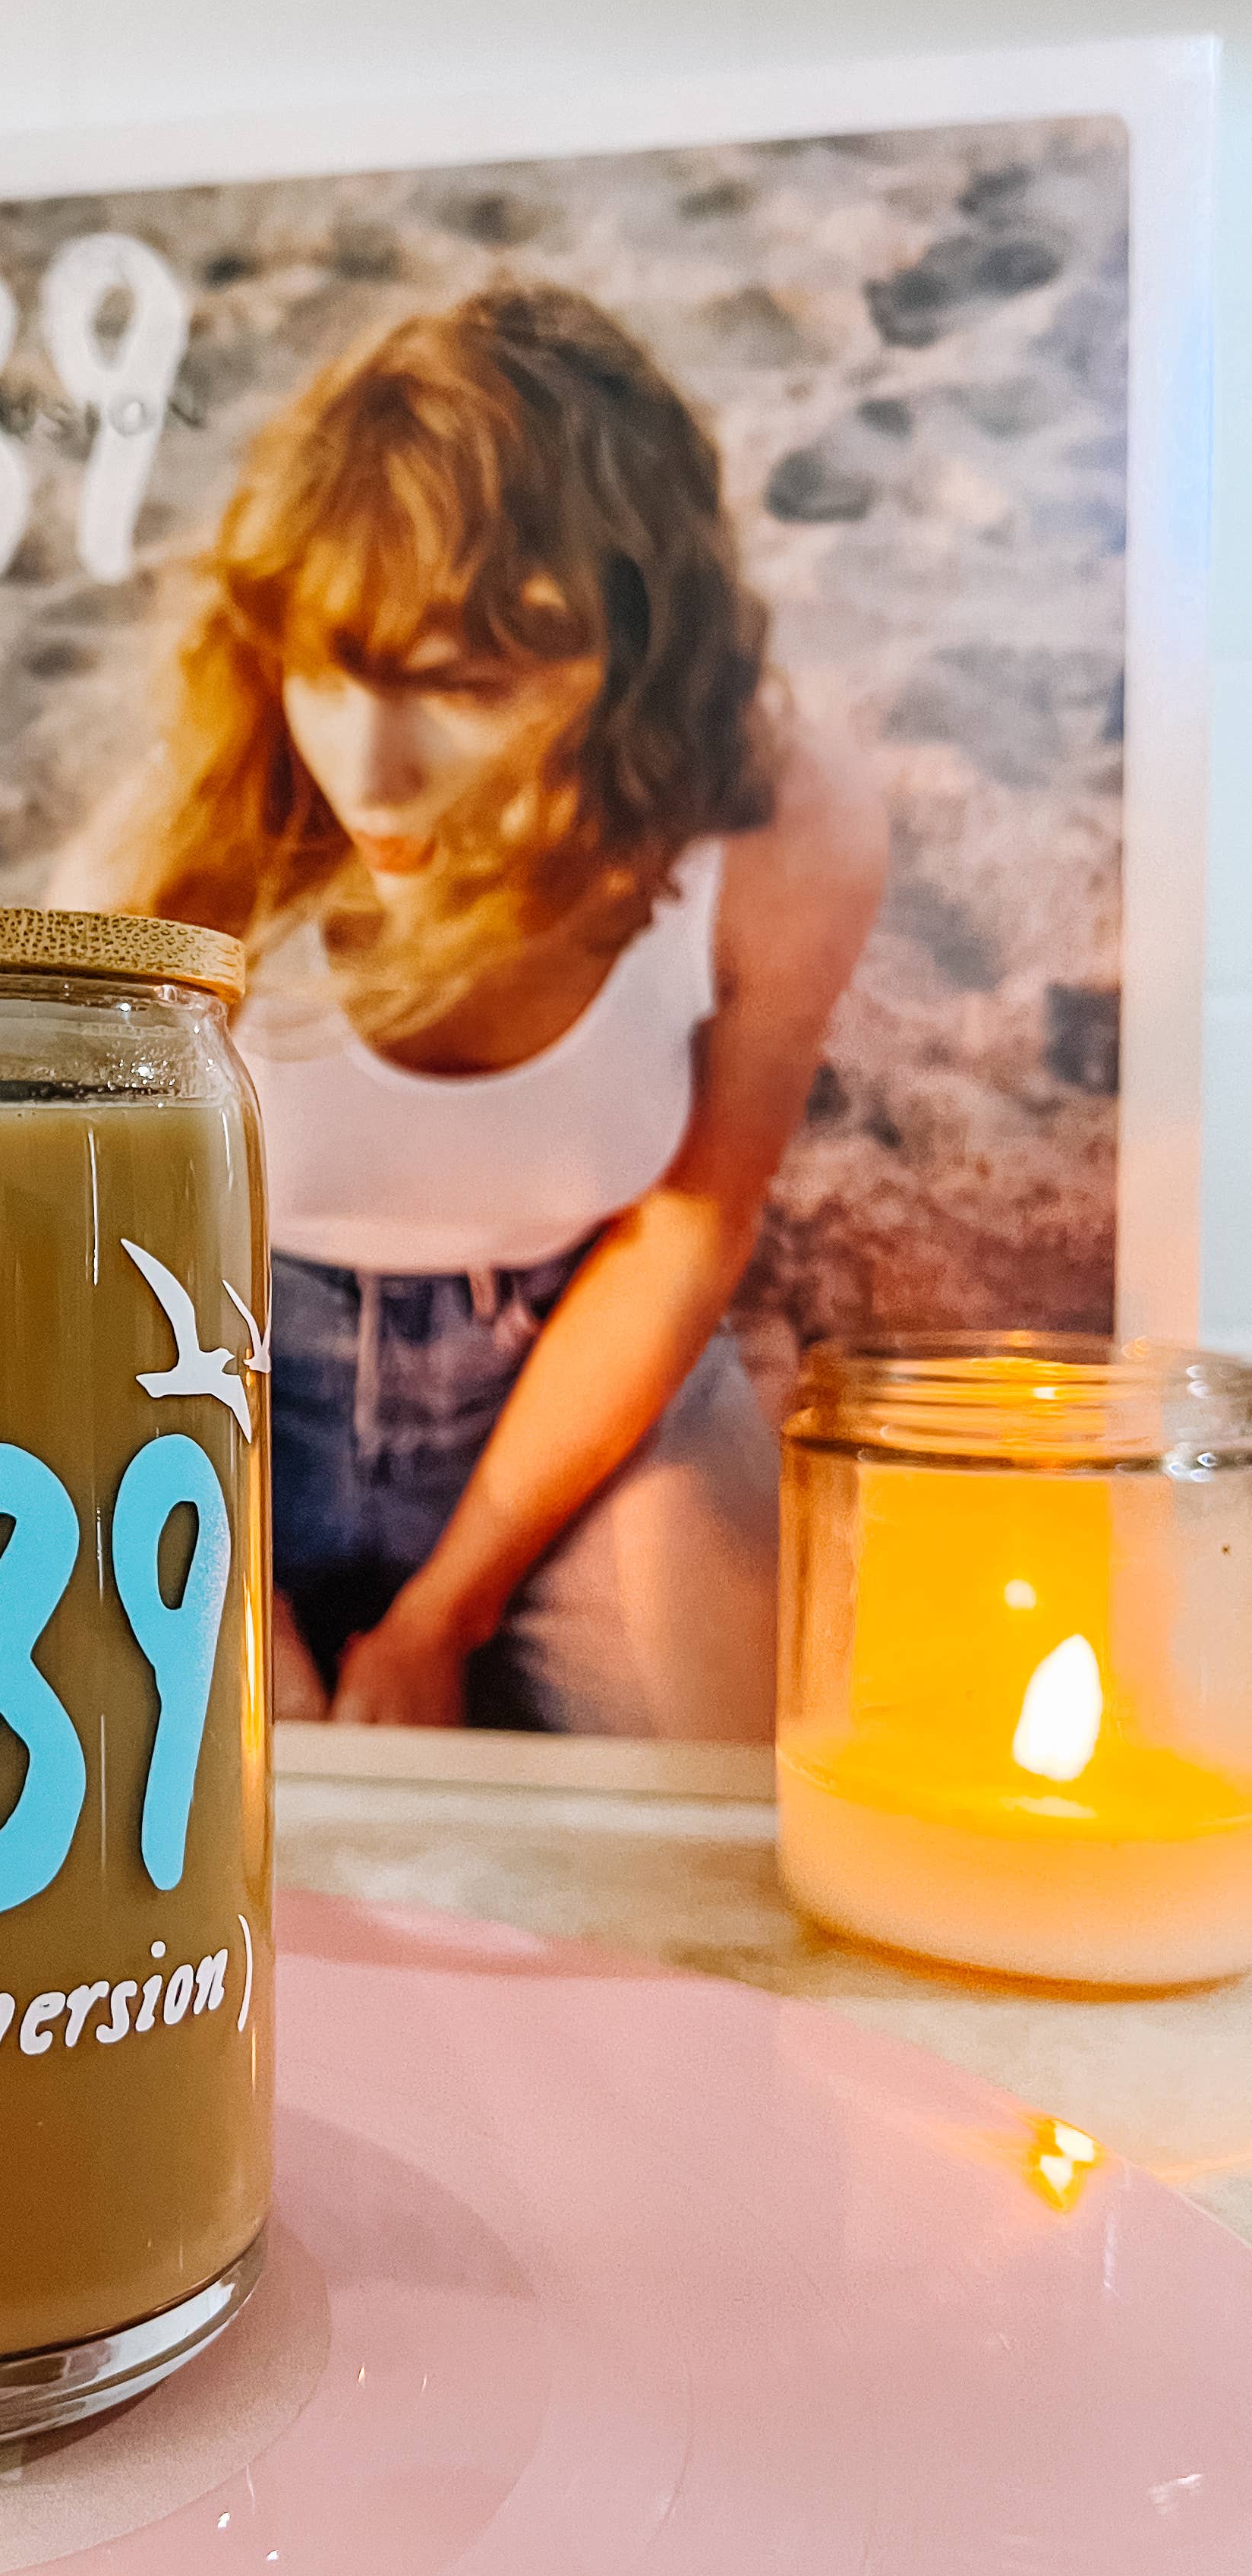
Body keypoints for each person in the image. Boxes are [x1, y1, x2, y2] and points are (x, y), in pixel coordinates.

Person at [78, 285, 886, 1738]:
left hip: (578, 1391)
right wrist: (237, 1594)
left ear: (630, 663)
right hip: (203, 1389)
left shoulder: (780, 829)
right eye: (328, 672)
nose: (369, 772)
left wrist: (443, 1615)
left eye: (461, 685)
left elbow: (689, 1231)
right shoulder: (187, 838)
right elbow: (83, 1261)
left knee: (734, 1764)